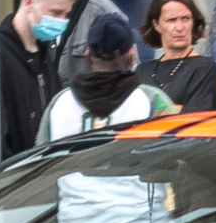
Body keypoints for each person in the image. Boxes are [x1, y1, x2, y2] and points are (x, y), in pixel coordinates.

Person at [38, 9, 176, 142]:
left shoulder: (59, 104)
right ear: (131, 56)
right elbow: (176, 151)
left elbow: (38, 158)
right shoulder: (152, 100)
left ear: (88, 56)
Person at [0, 0, 74, 160]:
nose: (61, 21)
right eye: (56, 12)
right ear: (29, 3)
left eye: (66, 14)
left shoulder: (46, 52)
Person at [136, 0, 216, 114]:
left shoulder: (203, 67)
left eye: (185, 18)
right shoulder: (143, 71)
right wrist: (175, 109)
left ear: (193, 22)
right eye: (171, 20)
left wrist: (155, 111)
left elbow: (198, 118)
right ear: (156, 24)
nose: (179, 27)